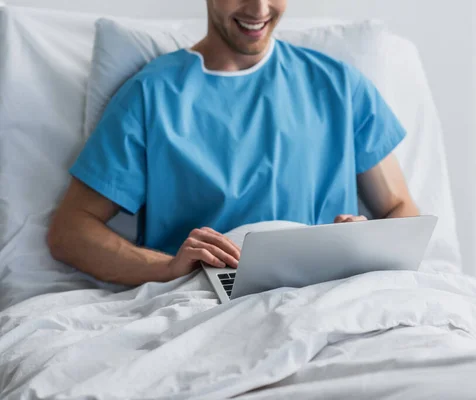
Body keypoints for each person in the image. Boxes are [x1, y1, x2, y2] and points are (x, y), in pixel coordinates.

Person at [47, 0, 420, 286]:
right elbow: (71, 231)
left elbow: (400, 207)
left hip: (325, 291)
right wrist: (167, 268)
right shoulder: (153, 95)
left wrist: (365, 243)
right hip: (205, 296)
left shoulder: (339, 87)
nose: (259, 9)